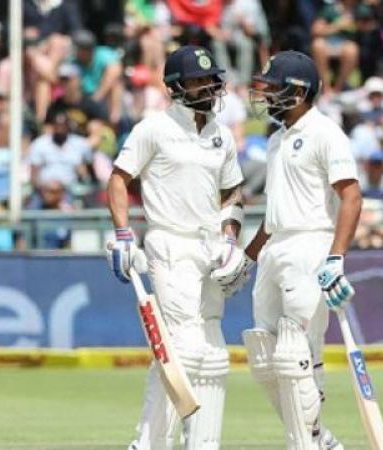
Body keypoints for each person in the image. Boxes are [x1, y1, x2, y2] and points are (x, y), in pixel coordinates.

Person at [105, 45, 245, 449]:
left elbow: (233, 190)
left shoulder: (220, 133)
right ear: (176, 86)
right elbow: (119, 179)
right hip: (169, 242)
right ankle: (149, 443)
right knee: (181, 349)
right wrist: (124, 234)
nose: (209, 86)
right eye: (200, 79)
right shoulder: (154, 129)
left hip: (210, 248)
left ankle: (201, 442)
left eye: (211, 78)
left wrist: (230, 238)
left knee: (213, 352)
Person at [240, 50, 362, 450]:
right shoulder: (277, 139)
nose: (267, 95)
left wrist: (335, 257)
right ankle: (316, 438)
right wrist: (247, 257)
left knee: (299, 355)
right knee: (264, 356)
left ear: (298, 91)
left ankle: (305, 444)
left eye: (274, 87)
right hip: (275, 248)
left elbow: (351, 197)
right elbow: (274, 214)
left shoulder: (326, 133)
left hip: (310, 244)